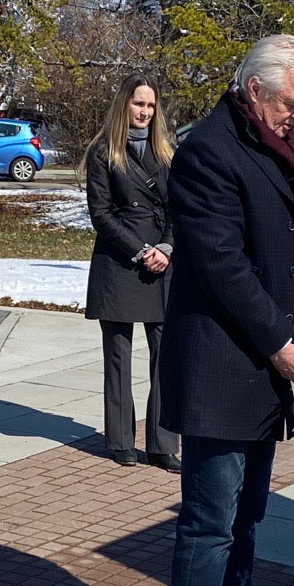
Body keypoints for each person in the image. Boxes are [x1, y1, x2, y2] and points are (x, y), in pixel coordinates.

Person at [160, 35, 294, 586]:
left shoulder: (280, 145)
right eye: (292, 103)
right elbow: (221, 266)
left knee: (247, 520)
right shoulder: (209, 151)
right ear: (254, 90)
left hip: (267, 363)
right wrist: (277, 342)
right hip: (221, 366)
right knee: (209, 527)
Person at [82, 73, 180, 473]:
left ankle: (161, 444)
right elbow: (101, 214)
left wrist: (167, 248)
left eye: (151, 105)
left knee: (165, 357)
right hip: (120, 262)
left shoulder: (168, 153)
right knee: (118, 357)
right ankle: (120, 440)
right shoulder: (104, 153)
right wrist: (141, 250)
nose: (145, 111)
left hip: (162, 264)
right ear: (124, 105)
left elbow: (180, 209)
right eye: (138, 103)